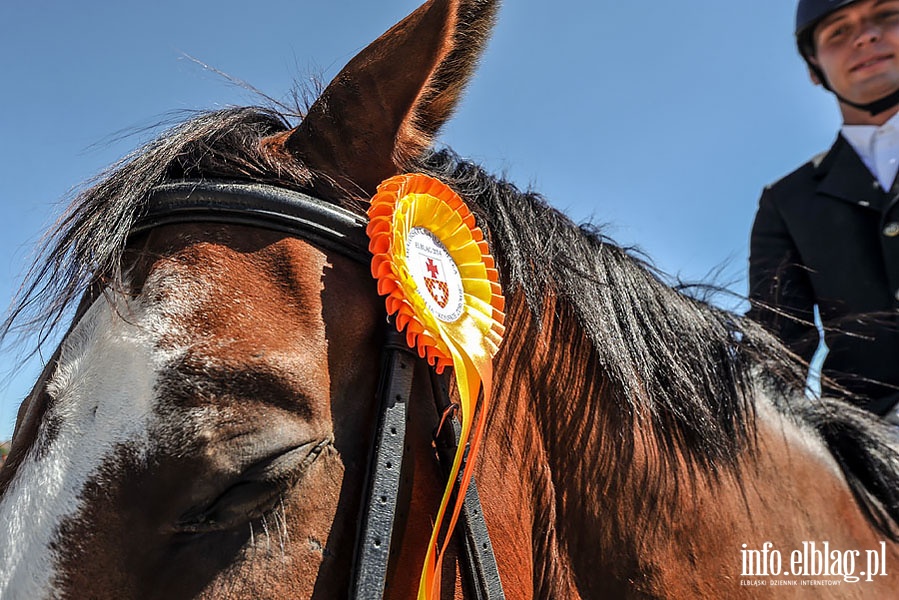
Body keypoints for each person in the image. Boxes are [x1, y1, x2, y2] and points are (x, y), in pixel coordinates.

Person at [749, 0, 899, 425]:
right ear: (814, 69)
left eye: (887, 15)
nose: (866, 35)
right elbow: (776, 352)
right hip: (873, 447)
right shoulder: (786, 200)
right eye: (837, 30)